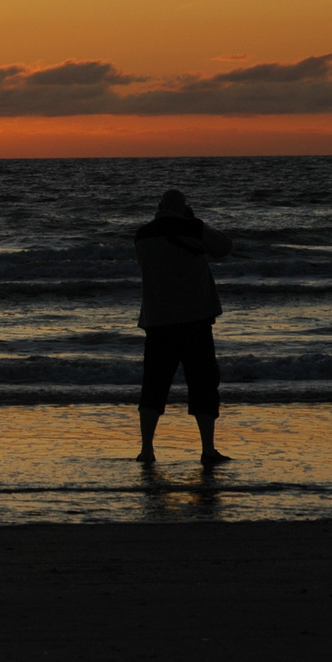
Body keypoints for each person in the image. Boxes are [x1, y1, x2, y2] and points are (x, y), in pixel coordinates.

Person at [134, 189, 233, 464]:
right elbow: (224, 246)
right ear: (184, 208)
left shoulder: (142, 235)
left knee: (153, 386)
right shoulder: (193, 228)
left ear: (159, 206)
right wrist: (195, 221)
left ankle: (146, 450)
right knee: (203, 385)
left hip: (157, 322)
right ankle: (208, 450)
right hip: (194, 320)